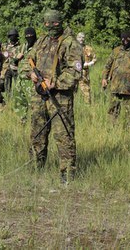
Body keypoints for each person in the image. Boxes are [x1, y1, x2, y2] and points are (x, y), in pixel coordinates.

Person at [27, 10, 82, 184]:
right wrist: (31, 73)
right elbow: (28, 60)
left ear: (60, 23)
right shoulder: (42, 41)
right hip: (39, 95)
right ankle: (36, 169)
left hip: (60, 97)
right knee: (37, 133)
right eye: (47, 24)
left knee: (63, 134)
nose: (50, 27)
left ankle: (67, 175)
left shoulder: (70, 43)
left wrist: (55, 82)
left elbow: (75, 70)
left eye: (54, 24)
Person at [101, 31, 130, 125]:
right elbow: (108, 65)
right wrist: (104, 78)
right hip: (115, 87)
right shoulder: (116, 50)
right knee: (112, 110)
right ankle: (112, 129)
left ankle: (128, 131)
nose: (125, 41)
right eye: (123, 39)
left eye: (127, 39)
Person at [14, 27, 38, 121]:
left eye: (31, 36)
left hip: (31, 80)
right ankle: (21, 121)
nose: (29, 38)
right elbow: (12, 61)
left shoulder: (37, 47)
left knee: (33, 102)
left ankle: (35, 122)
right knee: (18, 102)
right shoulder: (22, 47)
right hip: (20, 79)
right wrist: (17, 58)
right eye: (27, 36)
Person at [76, 32, 96, 104]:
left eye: (83, 37)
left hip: (84, 73)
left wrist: (90, 63)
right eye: (79, 37)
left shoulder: (88, 48)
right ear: (76, 38)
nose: (81, 39)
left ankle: (87, 106)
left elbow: (94, 59)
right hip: (74, 73)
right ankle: (75, 106)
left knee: (86, 91)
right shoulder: (73, 48)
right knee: (73, 91)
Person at [2, 28, 21, 96]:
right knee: (7, 85)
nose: (12, 37)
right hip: (7, 68)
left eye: (14, 36)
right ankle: (8, 97)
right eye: (11, 36)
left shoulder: (20, 46)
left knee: (17, 85)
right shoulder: (5, 46)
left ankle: (17, 96)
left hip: (16, 68)